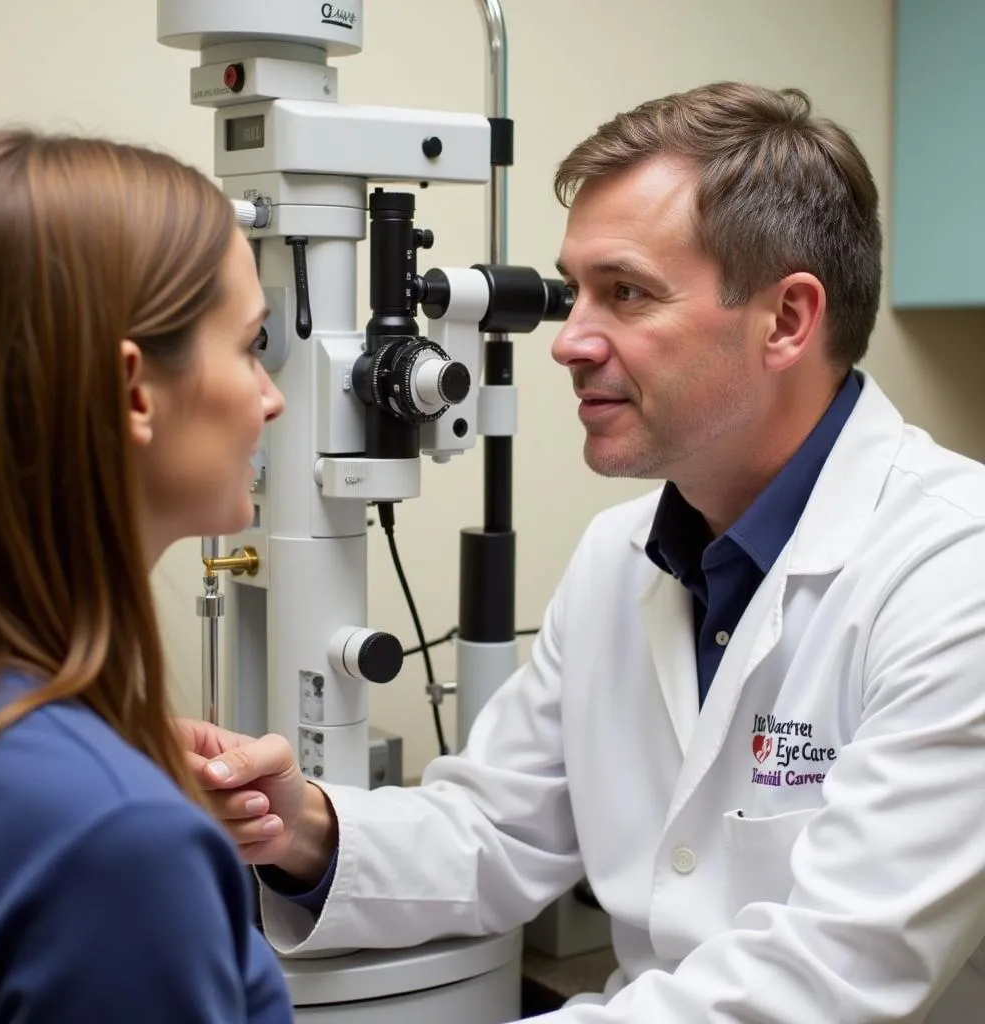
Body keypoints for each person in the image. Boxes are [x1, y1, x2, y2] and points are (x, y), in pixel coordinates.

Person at [183, 82, 985, 1023]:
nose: (568, 341)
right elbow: (497, 828)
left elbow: (827, 976)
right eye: (576, 292)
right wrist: (303, 822)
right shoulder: (622, 555)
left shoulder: (951, 574)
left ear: (787, 319)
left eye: (627, 293)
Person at [0, 129, 293, 1022]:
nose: (273, 397)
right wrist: (130, 817)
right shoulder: (114, 841)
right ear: (135, 393)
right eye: (252, 344)